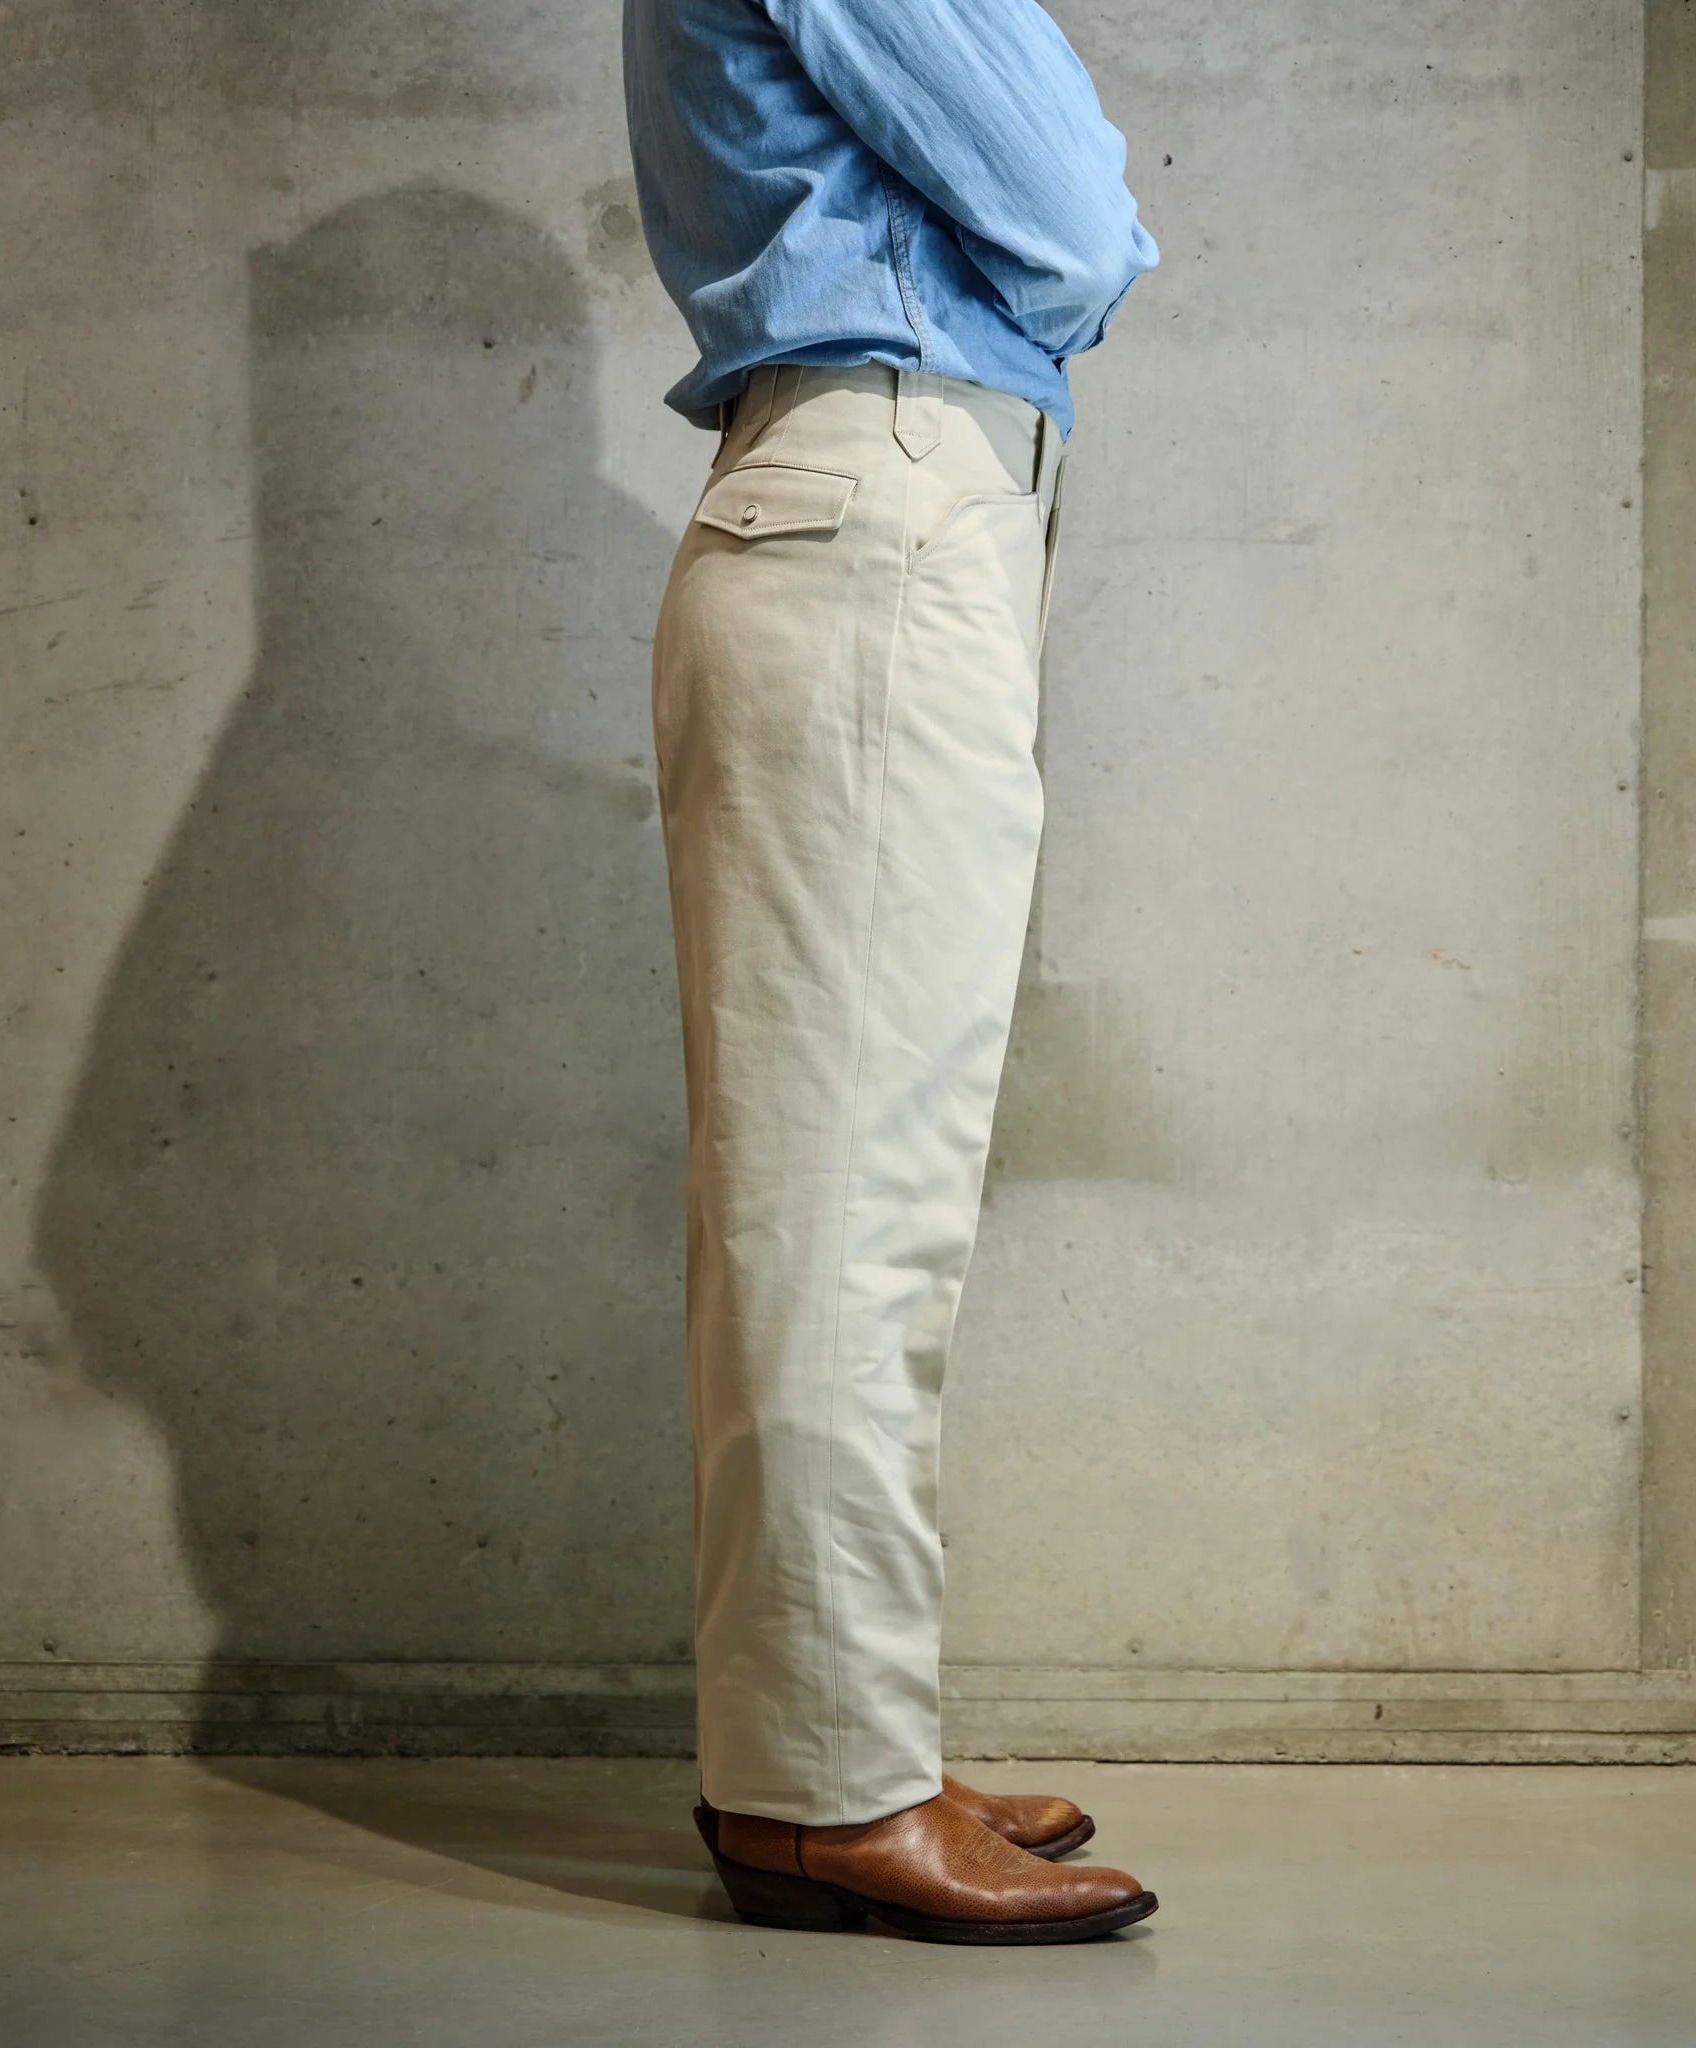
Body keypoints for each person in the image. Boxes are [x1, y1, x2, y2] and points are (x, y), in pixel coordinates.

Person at [622, 0, 1160, 1944]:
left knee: (854, 1197)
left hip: (869, 509)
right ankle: (824, 1792)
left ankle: (837, 1744)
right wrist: (1063, 238)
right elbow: (1076, 223)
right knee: (846, 1206)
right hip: (882, 511)